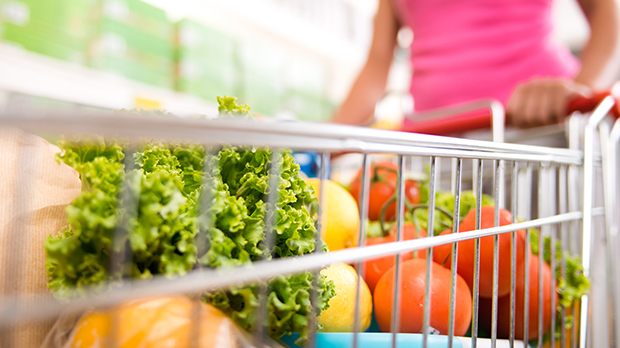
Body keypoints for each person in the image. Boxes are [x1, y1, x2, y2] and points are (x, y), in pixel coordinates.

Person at [331, 0, 620, 128]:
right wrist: (319, 143)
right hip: (436, 144)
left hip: (538, 132)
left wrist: (580, 92)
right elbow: (376, 65)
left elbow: (610, 22)